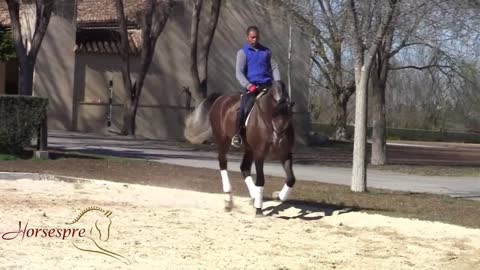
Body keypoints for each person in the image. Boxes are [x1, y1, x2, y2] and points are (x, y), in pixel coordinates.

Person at [231, 26, 281, 148]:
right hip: (252, 87)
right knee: (244, 107)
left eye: (257, 37)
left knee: (281, 105)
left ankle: (281, 134)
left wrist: (278, 83)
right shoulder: (242, 53)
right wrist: (249, 86)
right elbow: (239, 73)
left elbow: (274, 67)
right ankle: (237, 134)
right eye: (252, 37)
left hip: (268, 86)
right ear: (247, 37)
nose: (255, 39)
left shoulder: (267, 52)